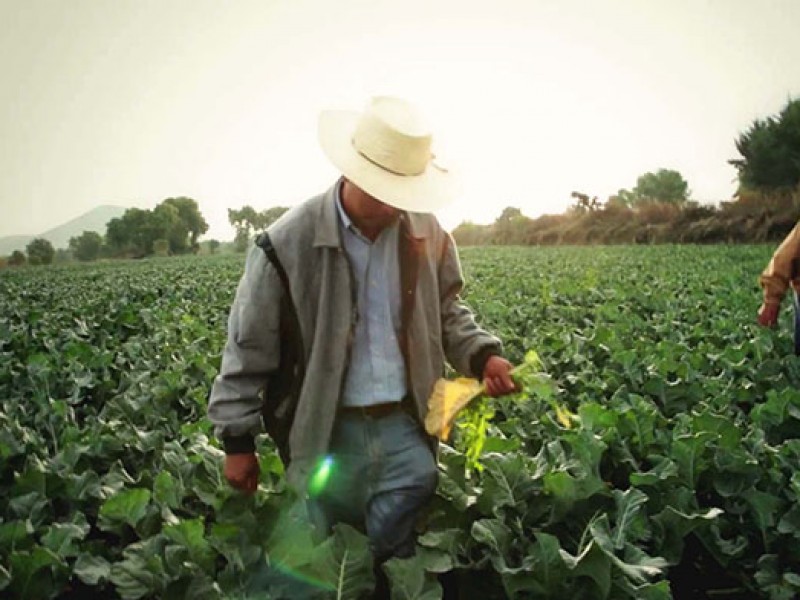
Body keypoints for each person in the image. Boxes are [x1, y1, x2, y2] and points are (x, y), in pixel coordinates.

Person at [207, 96, 516, 595]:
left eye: (403, 192)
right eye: (384, 191)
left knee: (399, 535)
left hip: (404, 422)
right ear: (352, 173)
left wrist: (483, 355)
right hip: (328, 429)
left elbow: (449, 311)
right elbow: (248, 350)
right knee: (331, 546)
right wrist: (237, 442)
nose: (394, 205)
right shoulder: (285, 244)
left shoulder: (426, 230)